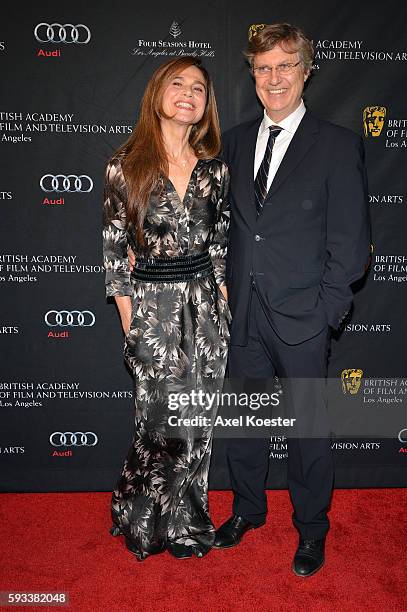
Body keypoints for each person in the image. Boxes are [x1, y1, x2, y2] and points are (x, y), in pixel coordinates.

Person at [213, 23, 371, 577]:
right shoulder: (230, 141)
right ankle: (247, 512)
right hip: (243, 318)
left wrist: (325, 313)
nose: (273, 78)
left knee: (308, 434)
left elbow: (351, 247)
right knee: (243, 426)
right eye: (263, 68)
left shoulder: (338, 144)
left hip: (304, 318)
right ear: (252, 75)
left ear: (306, 71)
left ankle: (311, 532)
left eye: (285, 66)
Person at [102, 56, 230, 561]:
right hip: (153, 311)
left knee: (198, 423)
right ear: (157, 93)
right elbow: (114, 256)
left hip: (205, 312)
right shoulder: (124, 166)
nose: (188, 93)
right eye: (177, 83)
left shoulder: (214, 170)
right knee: (158, 426)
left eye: (198, 88)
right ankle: (138, 516)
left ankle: (186, 523)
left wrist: (223, 308)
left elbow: (219, 245)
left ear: (205, 105)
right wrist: (132, 328)